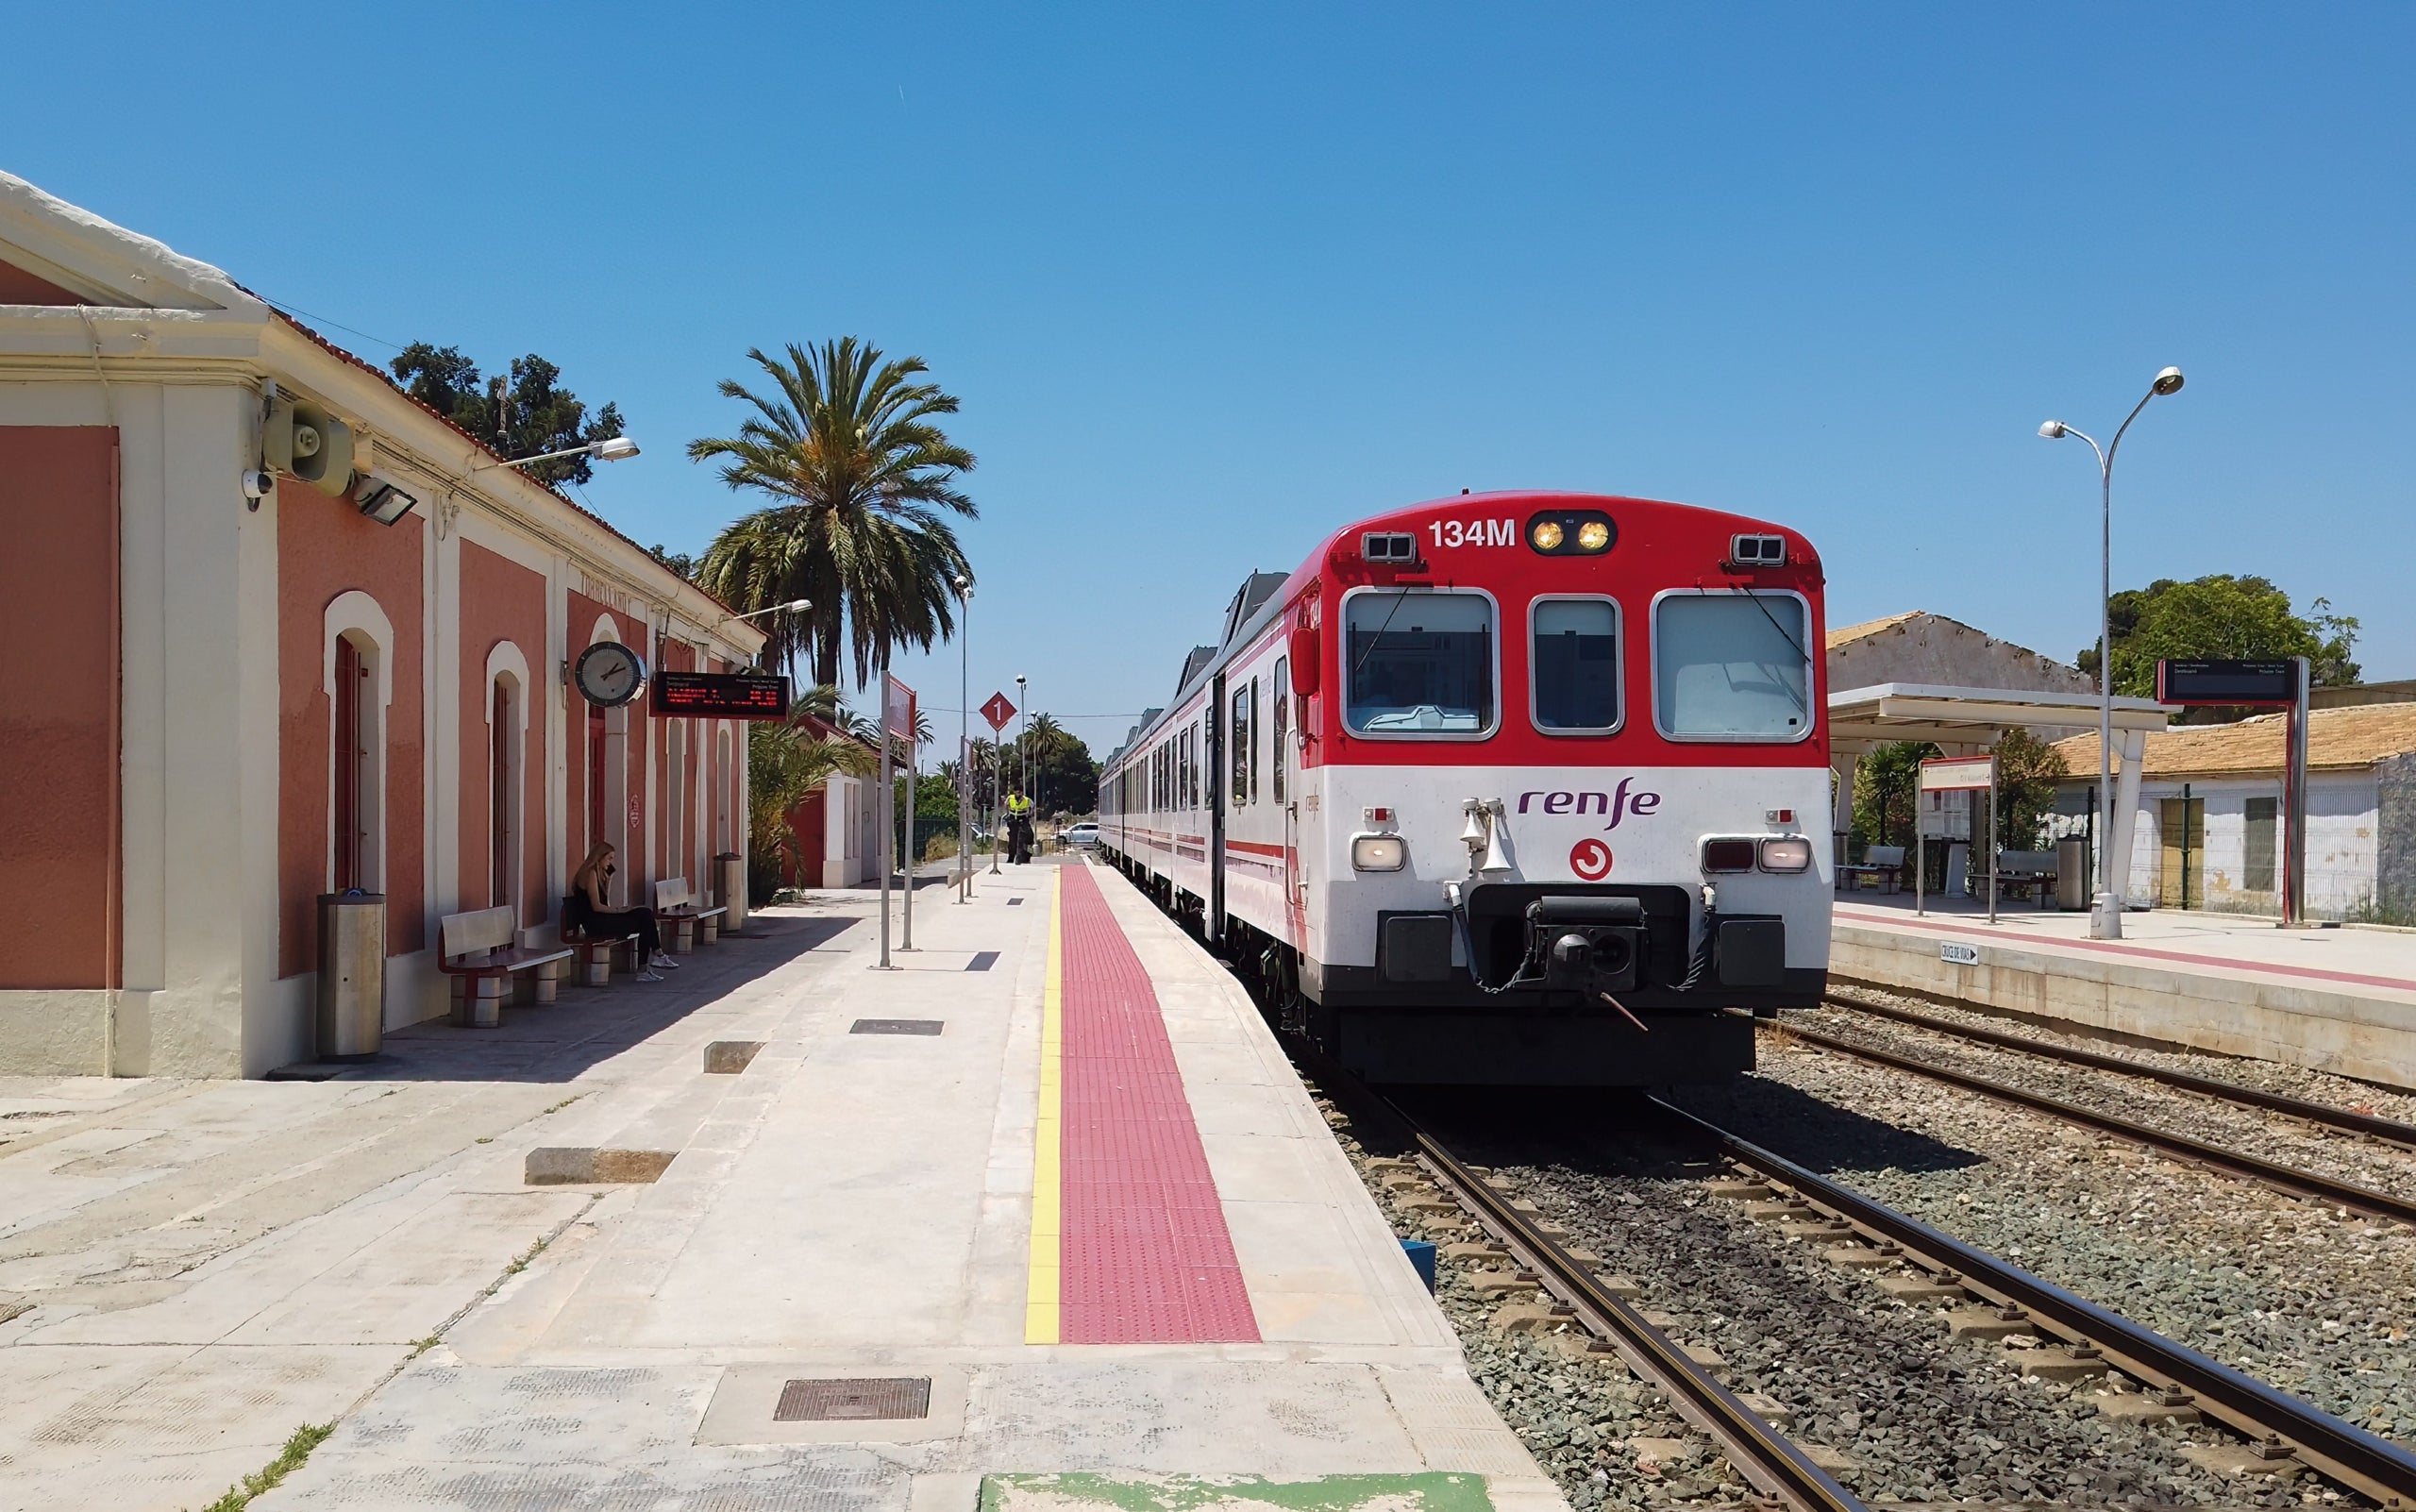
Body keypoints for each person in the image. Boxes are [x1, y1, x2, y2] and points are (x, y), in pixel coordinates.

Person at [568, 842, 678, 981]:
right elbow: (596, 906)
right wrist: (619, 911)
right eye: (609, 858)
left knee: (645, 913)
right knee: (645, 920)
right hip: (595, 924)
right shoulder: (590, 874)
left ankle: (654, 959)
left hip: (601, 919)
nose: (610, 862)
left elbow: (604, 900)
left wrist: (608, 880)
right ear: (599, 857)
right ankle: (653, 959)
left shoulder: (598, 874)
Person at [1005, 789, 1034, 865]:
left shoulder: (1027, 800)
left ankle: (1025, 858)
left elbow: (1032, 806)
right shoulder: (1010, 798)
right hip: (1013, 820)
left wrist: (1030, 814)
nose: (1019, 793)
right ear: (1014, 792)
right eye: (1017, 792)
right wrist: (1008, 813)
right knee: (1012, 840)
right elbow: (1006, 804)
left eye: (1020, 792)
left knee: (1029, 836)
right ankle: (1011, 858)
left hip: (1023, 819)